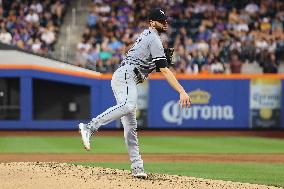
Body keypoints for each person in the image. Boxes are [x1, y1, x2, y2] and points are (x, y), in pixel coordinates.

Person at [78, 8, 191, 179]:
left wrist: (155, 64)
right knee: (129, 106)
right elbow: (165, 71)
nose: (165, 23)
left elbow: (148, 63)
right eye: (161, 20)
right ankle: (90, 127)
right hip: (127, 75)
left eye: (165, 20)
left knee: (130, 127)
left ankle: (137, 166)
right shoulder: (153, 38)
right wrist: (182, 91)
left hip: (126, 76)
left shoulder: (148, 36)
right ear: (153, 22)